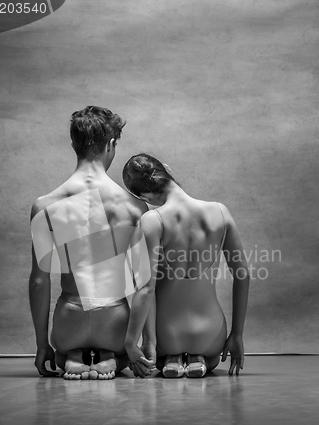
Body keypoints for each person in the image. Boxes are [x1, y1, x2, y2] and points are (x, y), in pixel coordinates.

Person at [29, 107, 155, 380]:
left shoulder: (45, 205)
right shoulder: (134, 207)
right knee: (120, 349)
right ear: (111, 144)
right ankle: (113, 357)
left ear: (74, 143)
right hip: (114, 325)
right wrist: (144, 344)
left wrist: (43, 345)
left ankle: (69, 355)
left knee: (62, 350)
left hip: (68, 323)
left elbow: (39, 281)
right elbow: (144, 285)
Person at [122, 154, 250, 378]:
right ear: (167, 169)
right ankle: (200, 358)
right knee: (208, 355)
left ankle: (172, 358)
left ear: (143, 196)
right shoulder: (220, 212)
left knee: (163, 353)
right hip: (211, 334)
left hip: (166, 334)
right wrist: (237, 335)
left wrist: (134, 343)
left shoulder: (152, 221)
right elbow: (243, 275)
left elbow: (146, 289)